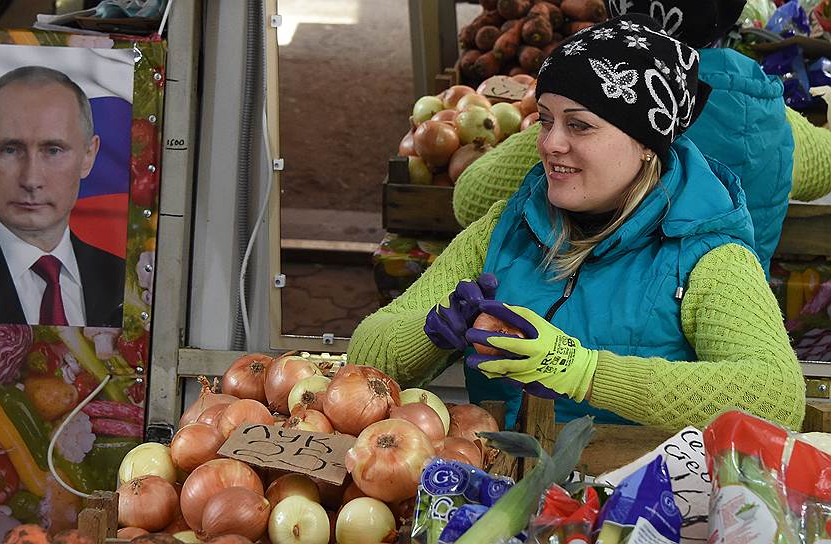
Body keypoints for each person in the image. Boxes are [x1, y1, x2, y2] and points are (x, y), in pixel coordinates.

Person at [347, 13, 806, 431]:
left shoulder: (704, 255)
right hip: (497, 486)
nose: (550, 144)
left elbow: (776, 395)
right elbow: (365, 354)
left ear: (646, 141)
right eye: (545, 121)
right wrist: (428, 332)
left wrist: (585, 372)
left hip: (630, 507)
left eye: (580, 126)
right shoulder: (506, 229)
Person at [453, 0, 831, 277]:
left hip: (605, 335)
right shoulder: (770, 114)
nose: (553, 141)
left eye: (578, 125)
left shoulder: (589, 111)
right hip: (733, 314)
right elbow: (824, 165)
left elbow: (469, 197)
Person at [0, 66, 125, 327]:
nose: (31, 180)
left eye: (53, 150)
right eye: (10, 150)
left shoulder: (120, 276)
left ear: (88, 156)